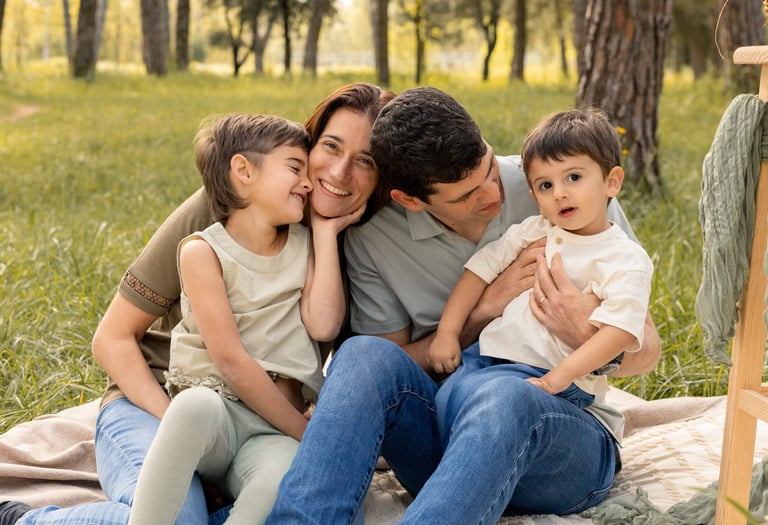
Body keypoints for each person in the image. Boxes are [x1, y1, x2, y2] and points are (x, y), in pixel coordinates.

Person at [0, 82, 394, 525]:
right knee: (180, 517)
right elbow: (112, 338)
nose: (339, 173)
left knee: (291, 502)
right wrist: (182, 433)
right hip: (160, 398)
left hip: (263, 426)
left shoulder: (363, 239)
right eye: (330, 147)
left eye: (365, 160)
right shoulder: (225, 211)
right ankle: (23, 520)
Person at [264, 87, 661, 524]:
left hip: (564, 440)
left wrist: (580, 333)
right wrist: (482, 311)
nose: (492, 194)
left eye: (489, 168)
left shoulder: (561, 183)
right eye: (465, 196)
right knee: (361, 357)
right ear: (411, 201)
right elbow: (400, 365)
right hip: (450, 433)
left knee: (506, 396)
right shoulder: (376, 241)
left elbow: (648, 351)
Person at [125, 112, 359, 525]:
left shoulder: (305, 244)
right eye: (294, 168)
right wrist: (309, 436)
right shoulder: (202, 251)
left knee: (279, 477)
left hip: (269, 434)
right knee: (193, 407)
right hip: (215, 415)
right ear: (243, 171)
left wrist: (325, 234)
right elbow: (231, 361)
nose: (307, 182)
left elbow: (323, 325)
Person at [428, 108, 653, 418]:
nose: (560, 193)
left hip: (553, 373)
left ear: (611, 182)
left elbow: (621, 331)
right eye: (546, 185)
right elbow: (476, 274)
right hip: (486, 356)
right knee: (444, 405)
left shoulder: (622, 257)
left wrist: (556, 378)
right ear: (534, 194)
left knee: (494, 408)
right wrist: (447, 333)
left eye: (574, 177)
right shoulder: (531, 232)